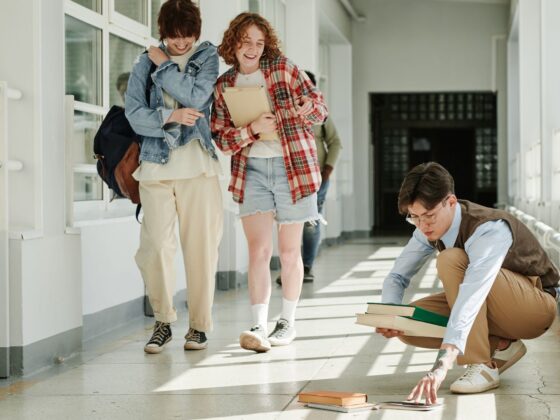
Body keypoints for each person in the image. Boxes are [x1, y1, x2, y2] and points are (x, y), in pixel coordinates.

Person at [376, 162, 558, 404]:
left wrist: (443, 363)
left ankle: (481, 364)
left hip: (535, 308)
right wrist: (389, 314)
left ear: (451, 202)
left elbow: (473, 292)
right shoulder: (426, 228)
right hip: (494, 302)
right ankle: (503, 345)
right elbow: (398, 276)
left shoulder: (488, 229)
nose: (423, 225)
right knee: (408, 322)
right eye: (415, 217)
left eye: (429, 216)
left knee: (451, 260)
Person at [211, 13, 328, 352]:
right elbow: (222, 139)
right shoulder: (224, 86)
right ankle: (259, 325)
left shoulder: (284, 69)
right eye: (246, 41)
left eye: (259, 43)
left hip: (294, 168)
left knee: (290, 252)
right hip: (252, 173)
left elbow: (320, 109)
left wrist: (308, 106)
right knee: (258, 251)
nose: (252, 49)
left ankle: (287, 322)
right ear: (233, 43)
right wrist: (252, 130)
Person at [125, 0, 223, 354]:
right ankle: (163, 321)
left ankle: (198, 327)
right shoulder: (142, 61)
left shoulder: (206, 56)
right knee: (154, 249)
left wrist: (165, 66)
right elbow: (134, 114)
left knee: (201, 248)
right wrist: (169, 116)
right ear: (162, 32)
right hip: (155, 165)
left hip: (198, 166)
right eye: (174, 37)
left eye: (188, 37)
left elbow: (198, 96)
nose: (181, 44)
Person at [276, 70, 342, 284]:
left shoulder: (321, 116)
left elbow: (335, 143)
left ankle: (306, 266)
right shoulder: (282, 112)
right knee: (288, 223)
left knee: (311, 223)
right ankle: (289, 269)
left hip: (317, 179)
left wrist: (327, 170)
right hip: (289, 177)